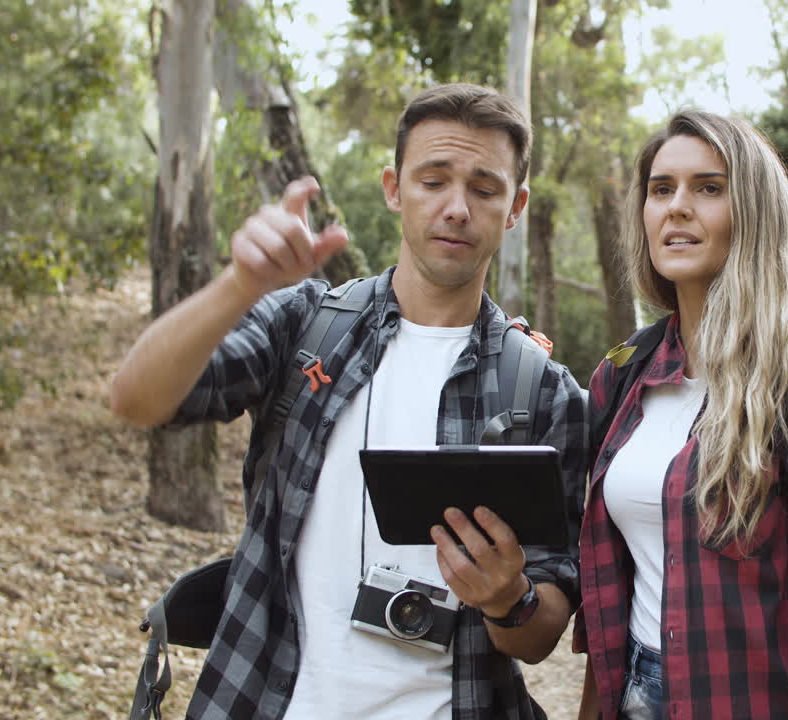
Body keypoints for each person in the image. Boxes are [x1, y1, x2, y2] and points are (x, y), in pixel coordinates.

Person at [111, 83, 587, 720]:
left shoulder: (544, 392)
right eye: (433, 181)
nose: (456, 208)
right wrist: (239, 285)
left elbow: (542, 632)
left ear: (515, 207)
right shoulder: (307, 326)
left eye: (483, 188)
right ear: (394, 188)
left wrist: (509, 599)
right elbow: (138, 399)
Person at [574, 110, 788, 720]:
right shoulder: (624, 375)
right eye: (661, 189)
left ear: (755, 211)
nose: (677, 207)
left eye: (708, 188)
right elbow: (612, 595)